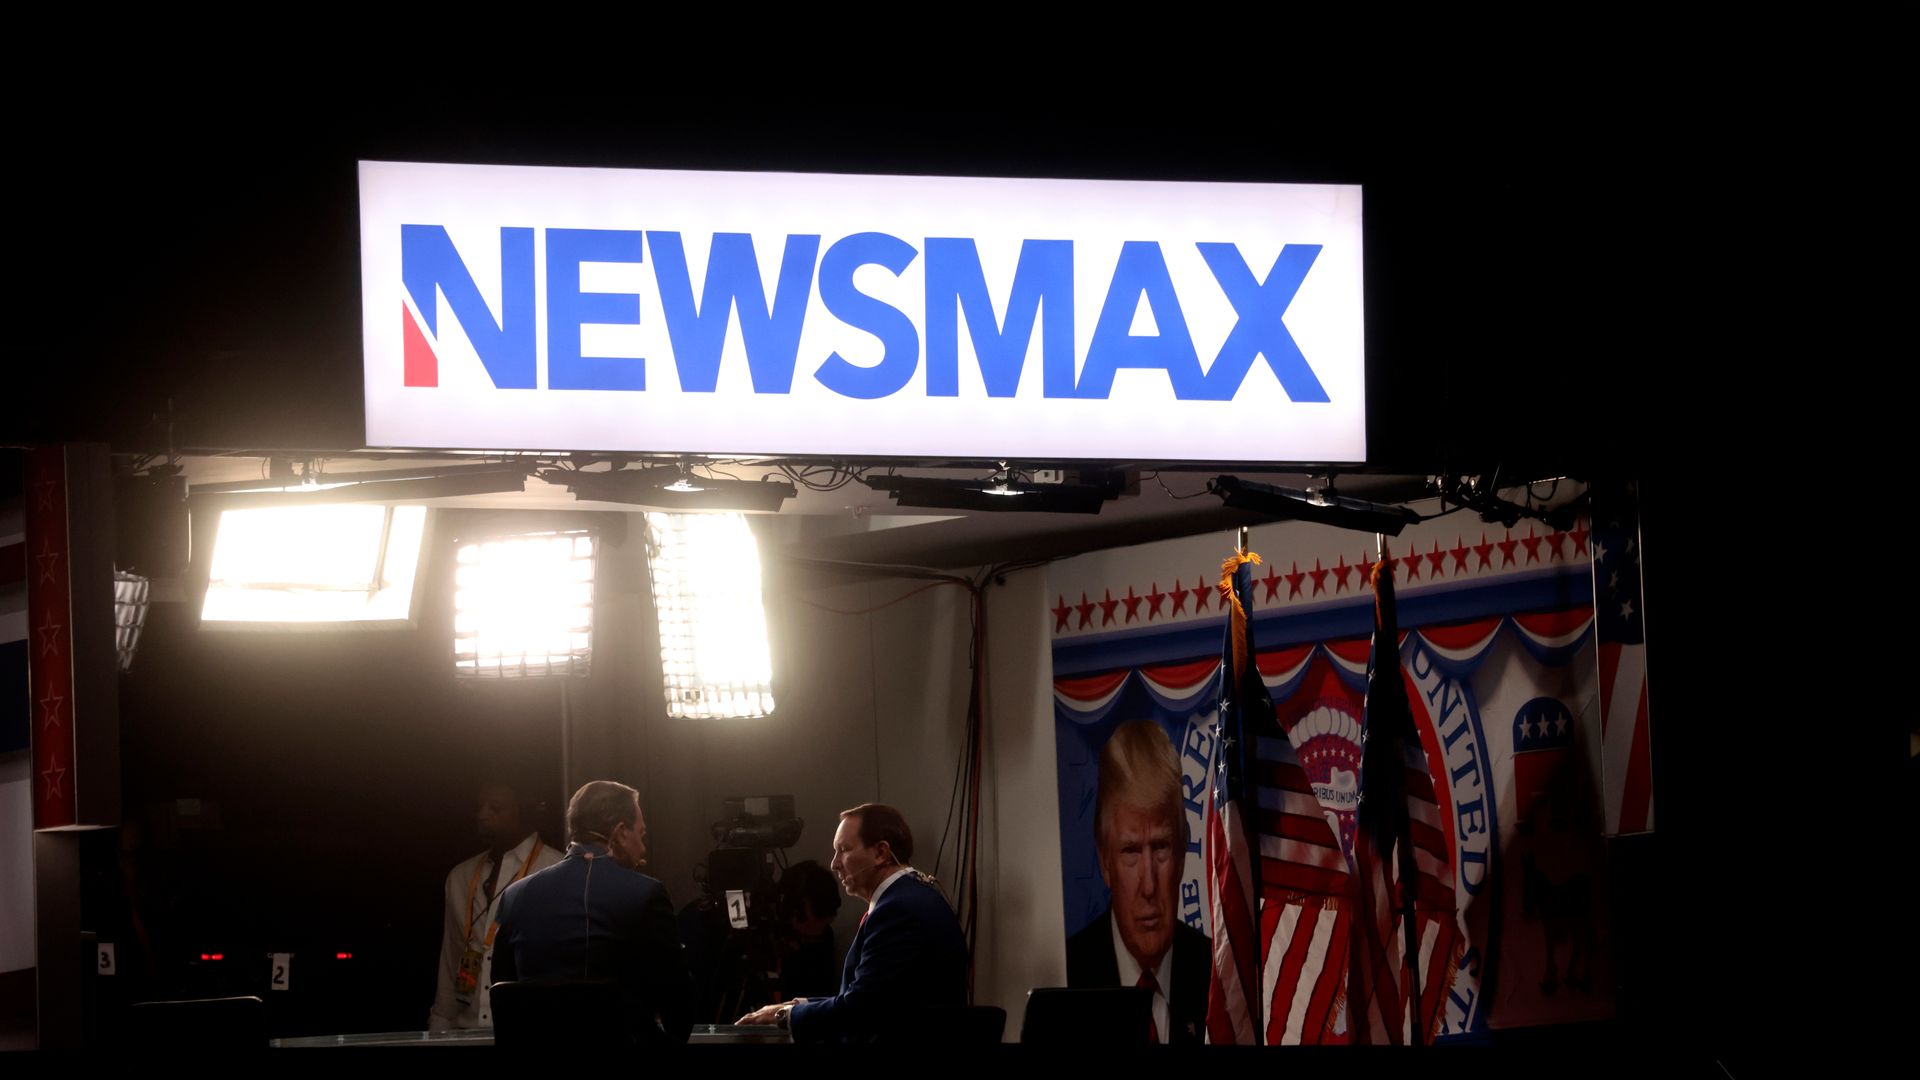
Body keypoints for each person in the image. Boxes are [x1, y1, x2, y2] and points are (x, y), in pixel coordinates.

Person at [736, 803, 966, 1042]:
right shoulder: (913, 896)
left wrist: (785, 1015)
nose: (835, 863)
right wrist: (798, 1005)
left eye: (844, 849)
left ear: (881, 853)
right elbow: (874, 1000)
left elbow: (859, 1010)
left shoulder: (897, 910)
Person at [490, 780, 693, 1044]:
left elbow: (506, 1003)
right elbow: (678, 1013)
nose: (642, 849)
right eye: (640, 835)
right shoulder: (646, 895)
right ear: (620, 832)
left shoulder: (514, 896)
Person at [1064, 721, 1209, 1044]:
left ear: (1183, 854)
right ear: (1104, 861)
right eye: (1130, 851)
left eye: (1160, 848)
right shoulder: (1067, 978)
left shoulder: (1217, 976)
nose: (1148, 886)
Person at [430, 781, 563, 1031]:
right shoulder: (461, 877)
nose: (482, 815)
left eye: (495, 807)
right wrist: (439, 1029)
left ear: (523, 811)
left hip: (527, 1036)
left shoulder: (554, 872)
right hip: (464, 1033)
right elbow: (451, 958)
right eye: (480, 807)